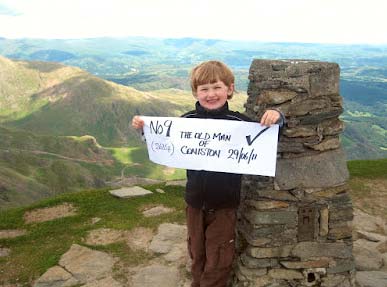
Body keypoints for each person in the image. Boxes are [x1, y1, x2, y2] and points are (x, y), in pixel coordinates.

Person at [132, 60, 284, 287]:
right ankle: (197, 282)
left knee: (220, 254)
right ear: (195, 92)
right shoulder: (187, 121)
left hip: (224, 205)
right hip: (194, 203)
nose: (211, 94)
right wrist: (145, 130)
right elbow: (165, 143)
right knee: (196, 249)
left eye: (217, 87)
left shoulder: (240, 123)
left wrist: (277, 116)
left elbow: (268, 136)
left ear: (229, 89)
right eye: (204, 89)